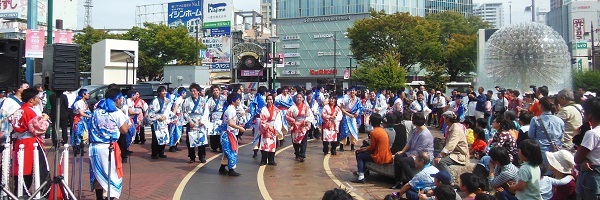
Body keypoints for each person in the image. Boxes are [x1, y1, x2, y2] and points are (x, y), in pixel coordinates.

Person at [88, 88, 130, 200]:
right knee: (113, 176)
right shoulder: (116, 112)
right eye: (120, 99)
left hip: (95, 147)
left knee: (98, 174)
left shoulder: (96, 111)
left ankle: (99, 198)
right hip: (109, 147)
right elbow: (124, 130)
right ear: (117, 99)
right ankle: (111, 197)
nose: (121, 101)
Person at [11, 88, 50, 191]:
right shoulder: (29, 111)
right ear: (31, 100)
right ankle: (41, 192)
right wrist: (44, 120)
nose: (39, 100)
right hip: (31, 143)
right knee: (38, 168)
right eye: (37, 98)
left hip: (20, 141)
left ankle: (20, 191)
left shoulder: (20, 110)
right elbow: (38, 128)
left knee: (22, 168)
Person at [391, 113, 434, 189]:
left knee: (403, 161)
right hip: (412, 152)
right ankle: (398, 181)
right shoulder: (415, 130)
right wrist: (402, 151)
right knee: (398, 156)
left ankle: (412, 181)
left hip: (422, 156)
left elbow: (418, 151)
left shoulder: (425, 134)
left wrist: (409, 156)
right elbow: (409, 143)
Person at [352, 113, 392, 183]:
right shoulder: (383, 130)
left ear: (371, 122)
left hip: (379, 156)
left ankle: (361, 176)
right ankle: (363, 171)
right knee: (361, 153)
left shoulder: (373, 132)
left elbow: (372, 147)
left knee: (359, 155)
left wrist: (362, 149)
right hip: (386, 154)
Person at [574, 97, 600, 199]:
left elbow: (577, 158)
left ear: (590, 115)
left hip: (593, 176)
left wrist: (583, 159)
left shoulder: (592, 134)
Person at [528, 96, 565, 170]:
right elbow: (561, 136)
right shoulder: (560, 120)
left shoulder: (535, 120)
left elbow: (531, 135)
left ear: (541, 106)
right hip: (556, 150)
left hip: (541, 151)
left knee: (543, 172)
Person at [218, 93, 246, 176]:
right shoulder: (231, 110)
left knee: (227, 151)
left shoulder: (232, 109)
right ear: (233, 101)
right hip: (227, 134)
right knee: (231, 151)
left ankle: (222, 167)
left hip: (229, 133)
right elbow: (230, 123)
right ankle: (231, 169)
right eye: (238, 99)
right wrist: (240, 128)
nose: (239, 101)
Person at [182, 84, 210, 163]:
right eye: (191, 91)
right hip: (191, 121)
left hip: (200, 121)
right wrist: (189, 121)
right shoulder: (187, 100)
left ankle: (202, 156)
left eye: (194, 91)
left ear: (198, 91)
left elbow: (206, 112)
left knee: (201, 139)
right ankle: (192, 156)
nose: (193, 92)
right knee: (190, 140)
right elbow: (184, 112)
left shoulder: (203, 100)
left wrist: (203, 121)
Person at [285, 93, 315, 162]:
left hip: (304, 125)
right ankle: (297, 153)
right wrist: (293, 121)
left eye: (300, 97)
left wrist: (305, 121)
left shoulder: (306, 107)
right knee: (295, 140)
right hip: (295, 125)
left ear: (303, 98)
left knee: (304, 140)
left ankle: (302, 154)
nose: (299, 99)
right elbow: (287, 115)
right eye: (297, 97)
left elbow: (310, 116)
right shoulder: (292, 107)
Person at [148, 86, 174, 159]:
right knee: (156, 137)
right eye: (162, 91)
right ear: (159, 93)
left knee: (163, 136)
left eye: (165, 91)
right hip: (156, 120)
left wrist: (165, 116)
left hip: (163, 119)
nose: (164, 92)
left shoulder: (167, 100)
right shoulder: (155, 101)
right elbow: (151, 112)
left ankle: (161, 152)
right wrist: (158, 117)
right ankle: (154, 153)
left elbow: (168, 110)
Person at [259, 94, 282, 165]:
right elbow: (262, 119)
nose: (269, 101)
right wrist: (267, 126)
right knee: (264, 144)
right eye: (268, 99)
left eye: (271, 99)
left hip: (273, 128)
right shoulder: (263, 109)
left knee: (272, 144)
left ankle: (271, 160)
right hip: (265, 129)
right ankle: (263, 160)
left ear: (273, 100)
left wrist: (277, 129)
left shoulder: (277, 110)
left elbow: (278, 120)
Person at [339, 87, 362, 151]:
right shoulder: (346, 98)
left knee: (353, 131)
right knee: (344, 131)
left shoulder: (358, 100)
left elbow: (360, 108)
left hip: (353, 117)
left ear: (356, 92)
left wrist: (357, 113)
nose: (352, 92)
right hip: (346, 116)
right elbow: (342, 108)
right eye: (351, 90)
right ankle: (341, 145)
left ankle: (352, 146)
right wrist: (348, 114)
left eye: (354, 90)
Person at [206, 85, 226, 152]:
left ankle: (221, 147)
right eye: (214, 90)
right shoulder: (210, 100)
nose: (215, 92)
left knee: (221, 133)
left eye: (217, 90)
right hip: (213, 118)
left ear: (219, 91)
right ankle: (214, 147)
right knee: (213, 133)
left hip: (221, 117)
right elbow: (207, 109)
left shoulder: (224, 98)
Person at [168, 87, 187, 152]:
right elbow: (176, 108)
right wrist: (174, 116)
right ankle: (172, 146)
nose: (185, 94)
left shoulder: (179, 99)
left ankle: (175, 145)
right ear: (182, 93)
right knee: (175, 132)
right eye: (185, 93)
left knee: (178, 132)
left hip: (179, 117)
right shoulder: (179, 99)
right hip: (177, 118)